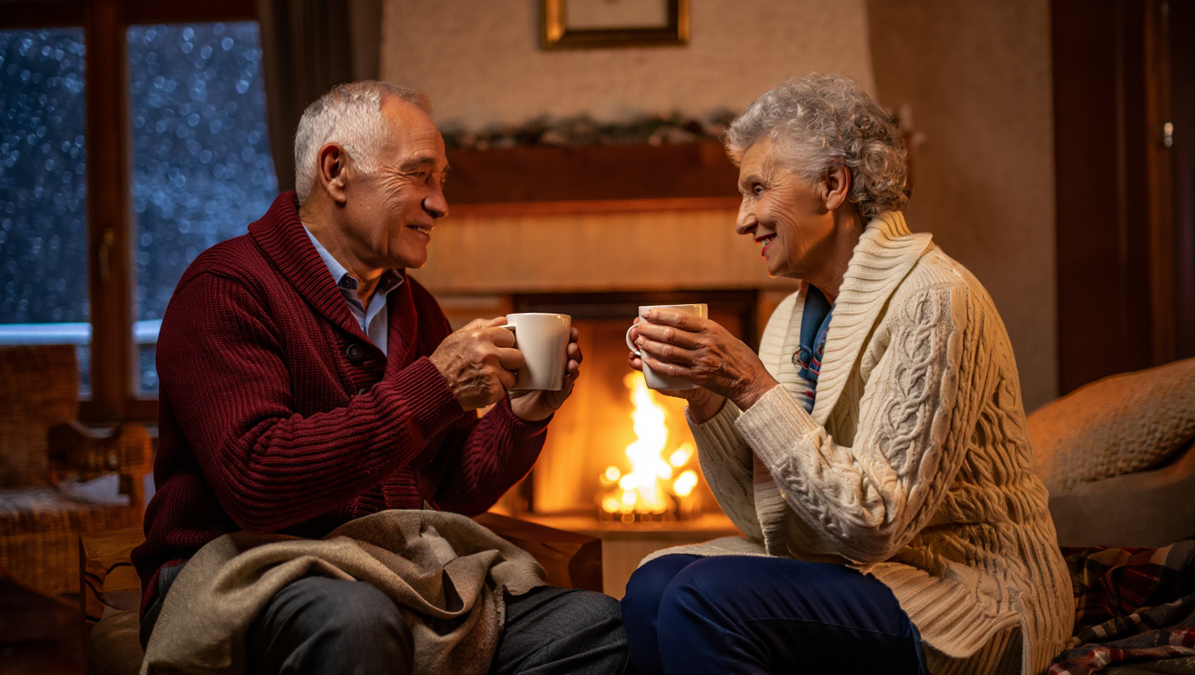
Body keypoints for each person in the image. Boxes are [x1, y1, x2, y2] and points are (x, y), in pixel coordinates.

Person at [131, 81, 628, 675]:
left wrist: (523, 416)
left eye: (443, 181)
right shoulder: (226, 288)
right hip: (242, 567)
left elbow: (452, 490)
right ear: (336, 171)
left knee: (597, 626)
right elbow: (258, 481)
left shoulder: (414, 306)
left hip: (390, 567)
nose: (441, 203)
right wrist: (435, 386)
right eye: (421, 176)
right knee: (356, 621)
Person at [620, 74, 1074, 675]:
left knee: (701, 598)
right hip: (854, 573)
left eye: (758, 189)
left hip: (967, 593)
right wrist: (707, 396)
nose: (742, 218)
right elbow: (766, 519)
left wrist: (751, 384)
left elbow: (873, 524)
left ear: (833, 186)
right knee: (653, 587)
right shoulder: (792, 316)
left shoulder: (934, 297)